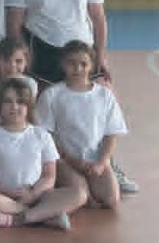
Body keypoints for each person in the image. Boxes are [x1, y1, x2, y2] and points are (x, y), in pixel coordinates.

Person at [0, 78, 87, 230]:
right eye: (8, 101)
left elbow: (49, 176)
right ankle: (43, 216)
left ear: (28, 107)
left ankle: (15, 218)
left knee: (79, 194)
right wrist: (9, 192)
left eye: (20, 102)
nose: (14, 107)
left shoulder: (42, 135)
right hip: (3, 195)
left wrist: (33, 194)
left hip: (39, 196)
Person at [36, 41, 129, 209]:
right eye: (71, 63)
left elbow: (111, 134)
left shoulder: (104, 95)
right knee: (81, 195)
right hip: (64, 159)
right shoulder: (52, 95)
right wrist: (70, 159)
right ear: (63, 64)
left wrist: (101, 162)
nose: (78, 69)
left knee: (110, 199)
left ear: (91, 66)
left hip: (94, 158)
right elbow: (46, 135)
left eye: (83, 64)